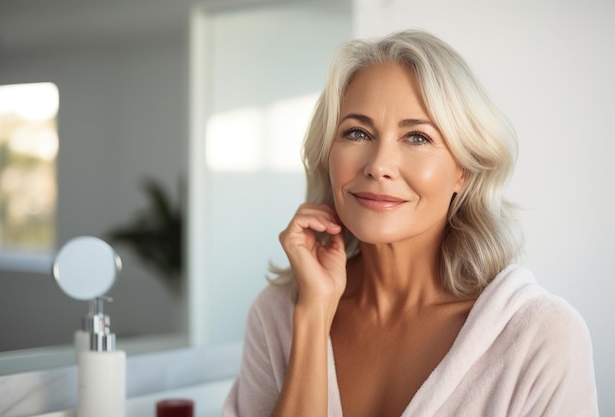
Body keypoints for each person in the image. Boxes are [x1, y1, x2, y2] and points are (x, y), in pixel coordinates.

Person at [223, 29, 598, 417]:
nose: (379, 165)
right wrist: (313, 316)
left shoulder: (541, 336)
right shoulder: (277, 315)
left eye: (417, 137)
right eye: (357, 132)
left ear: (463, 172)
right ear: (327, 157)